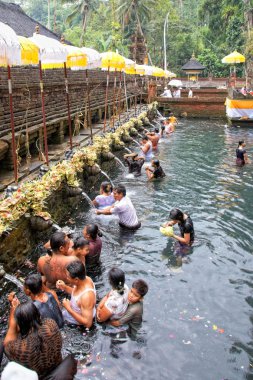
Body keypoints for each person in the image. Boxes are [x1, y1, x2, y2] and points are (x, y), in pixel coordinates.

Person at [4, 299, 62, 378]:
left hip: (39, 377)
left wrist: (13, 311)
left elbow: (6, 345)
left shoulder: (21, 348)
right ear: (38, 314)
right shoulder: (51, 325)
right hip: (58, 367)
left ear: (19, 325)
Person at [56, 261, 96, 327]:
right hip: (74, 312)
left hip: (76, 324)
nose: (66, 278)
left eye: (68, 276)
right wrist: (65, 287)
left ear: (76, 279)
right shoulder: (86, 279)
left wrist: (68, 308)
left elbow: (88, 323)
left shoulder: (87, 297)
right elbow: (77, 295)